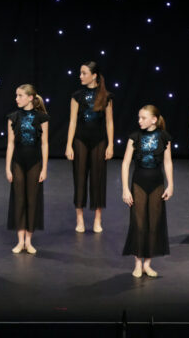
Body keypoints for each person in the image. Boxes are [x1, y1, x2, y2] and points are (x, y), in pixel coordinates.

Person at [121, 105, 173, 278]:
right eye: (139, 117)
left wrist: (171, 184)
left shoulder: (164, 137)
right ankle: (137, 263)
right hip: (139, 184)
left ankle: (147, 264)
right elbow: (125, 163)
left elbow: (167, 162)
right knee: (139, 223)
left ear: (154, 120)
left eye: (143, 118)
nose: (139, 121)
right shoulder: (134, 137)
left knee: (154, 224)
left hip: (157, 184)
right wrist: (125, 188)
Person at [66, 61, 114, 233]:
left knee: (98, 179)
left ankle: (97, 219)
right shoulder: (77, 96)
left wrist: (111, 144)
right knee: (79, 178)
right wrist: (68, 145)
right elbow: (72, 121)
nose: (80, 76)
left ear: (94, 76)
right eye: (80, 73)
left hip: (99, 141)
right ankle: (79, 218)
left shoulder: (106, 96)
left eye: (84, 73)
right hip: (80, 140)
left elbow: (109, 122)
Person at [5, 84, 49, 254]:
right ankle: (20, 240)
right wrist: (8, 167)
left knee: (32, 200)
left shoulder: (42, 118)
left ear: (30, 98)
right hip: (18, 163)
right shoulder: (13, 117)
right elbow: (10, 144)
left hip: (34, 163)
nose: (16, 99)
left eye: (20, 95)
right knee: (19, 200)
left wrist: (44, 168)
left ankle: (28, 241)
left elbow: (44, 144)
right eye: (16, 95)